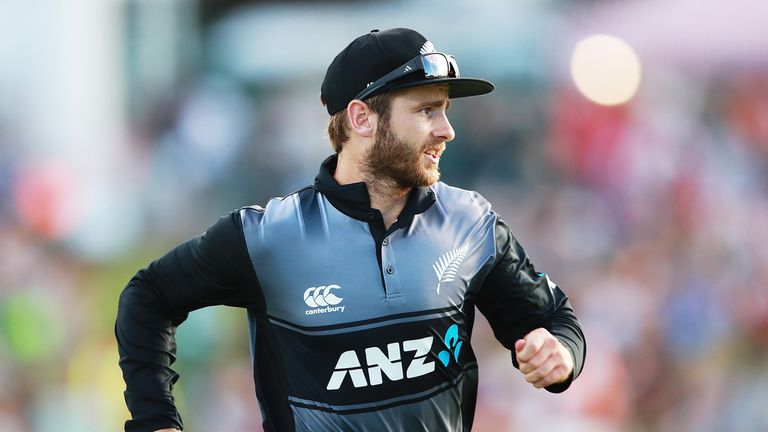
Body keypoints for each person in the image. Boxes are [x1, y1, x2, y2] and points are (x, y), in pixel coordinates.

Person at [116, 27, 586, 432]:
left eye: (445, 111)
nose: (447, 130)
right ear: (362, 118)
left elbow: (553, 320)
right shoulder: (269, 236)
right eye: (426, 110)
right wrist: (156, 421)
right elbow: (148, 296)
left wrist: (560, 354)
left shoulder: (471, 221)